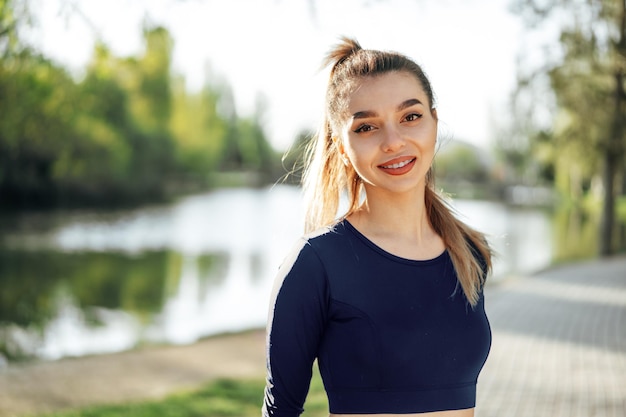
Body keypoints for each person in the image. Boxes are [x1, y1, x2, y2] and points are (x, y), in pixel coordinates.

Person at [262, 37, 493, 417]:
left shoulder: (469, 253)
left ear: (434, 122)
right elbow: (280, 411)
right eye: (367, 127)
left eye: (411, 117)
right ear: (341, 145)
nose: (393, 142)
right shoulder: (316, 264)